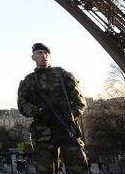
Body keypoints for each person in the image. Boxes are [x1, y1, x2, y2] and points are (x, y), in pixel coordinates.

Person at [17, 42, 88, 174]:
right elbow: (22, 105)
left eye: (46, 53)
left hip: (67, 129)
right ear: (33, 57)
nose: (43, 55)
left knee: (78, 168)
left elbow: (80, 102)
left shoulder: (63, 75)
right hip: (44, 132)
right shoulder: (29, 81)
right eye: (39, 53)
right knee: (44, 170)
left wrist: (70, 116)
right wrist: (39, 112)